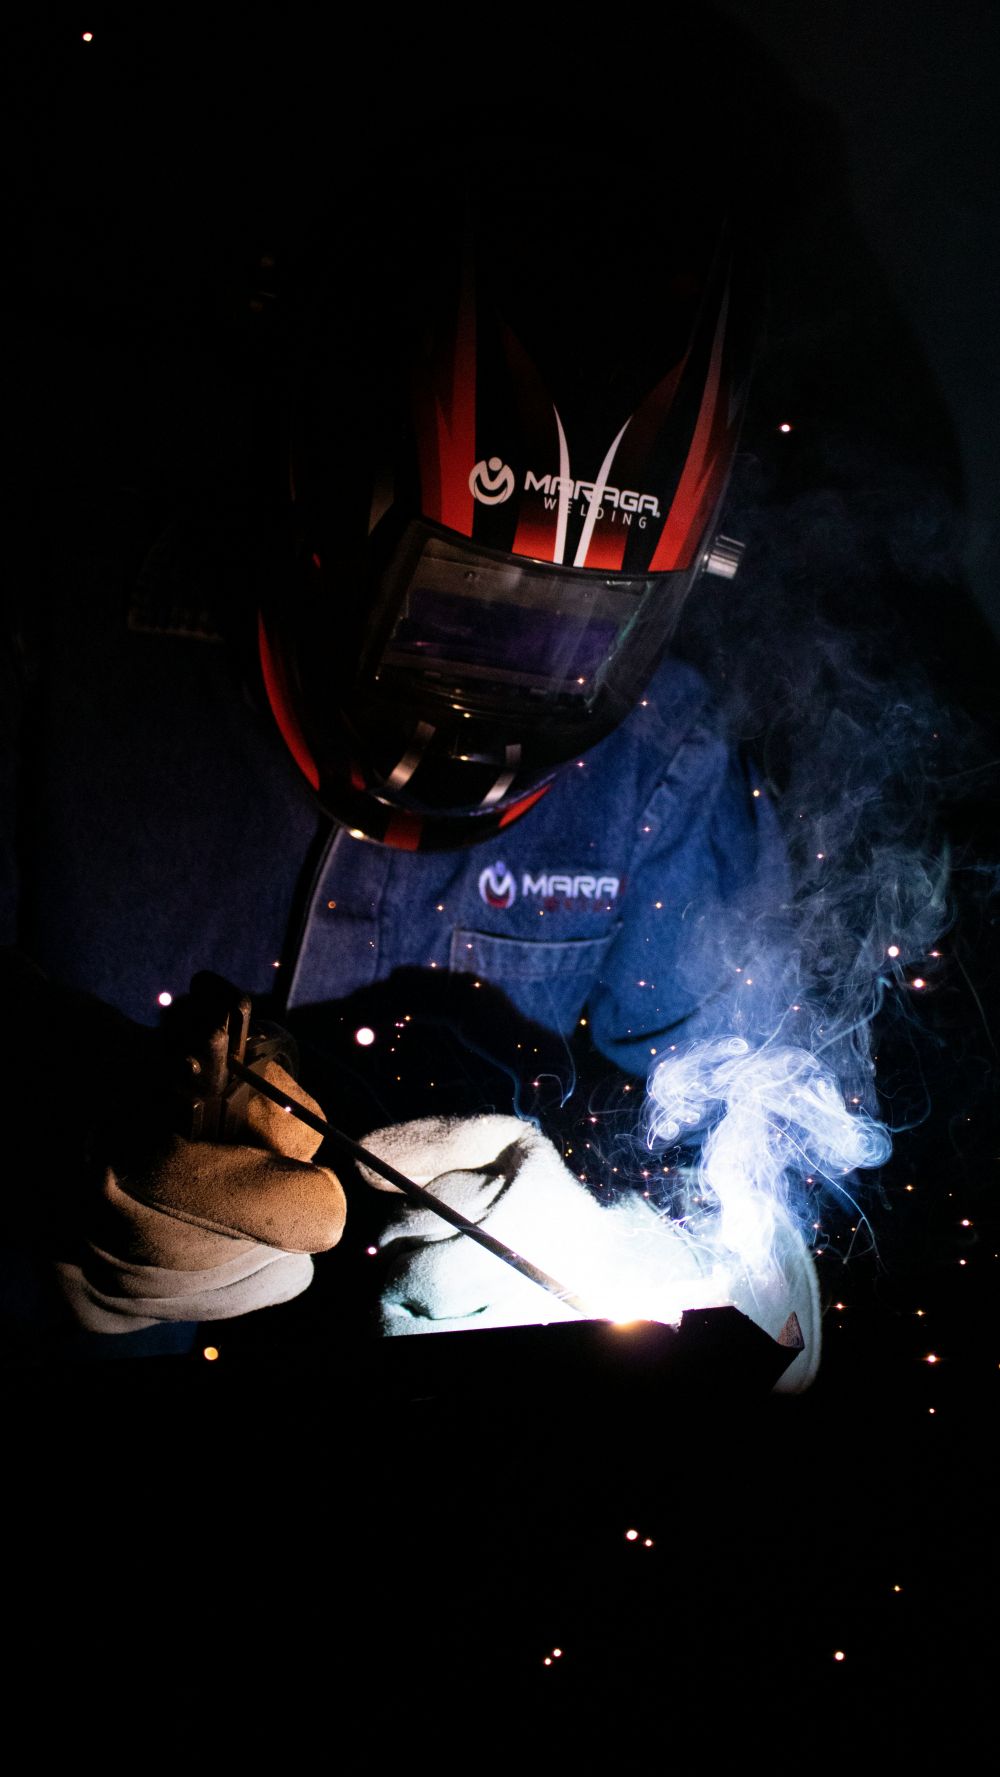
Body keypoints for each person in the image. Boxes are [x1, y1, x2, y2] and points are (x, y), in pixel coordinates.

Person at [1, 109, 813, 1382]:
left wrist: (628, 1247)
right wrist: (60, 1166)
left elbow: (770, 1186)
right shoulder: (59, 644)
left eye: (578, 637)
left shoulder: (665, 762)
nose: (494, 698)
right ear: (328, 491)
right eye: (456, 609)